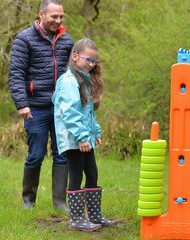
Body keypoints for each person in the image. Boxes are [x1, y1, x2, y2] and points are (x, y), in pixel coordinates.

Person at [8, 0, 73, 210]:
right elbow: (16, 74)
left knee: (62, 154)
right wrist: (22, 104)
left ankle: (60, 202)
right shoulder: (24, 39)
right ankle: (28, 202)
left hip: (62, 108)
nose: (58, 20)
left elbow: (73, 74)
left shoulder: (67, 40)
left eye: (61, 16)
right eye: (54, 16)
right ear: (41, 14)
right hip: (34, 107)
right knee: (36, 154)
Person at [52, 38, 116, 231]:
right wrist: (81, 137)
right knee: (76, 175)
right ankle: (77, 219)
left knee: (92, 173)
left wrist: (94, 132)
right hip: (74, 140)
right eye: (88, 60)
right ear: (75, 56)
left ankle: (95, 215)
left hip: (84, 139)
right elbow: (70, 113)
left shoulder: (84, 80)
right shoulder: (69, 81)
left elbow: (88, 113)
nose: (91, 64)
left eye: (94, 61)